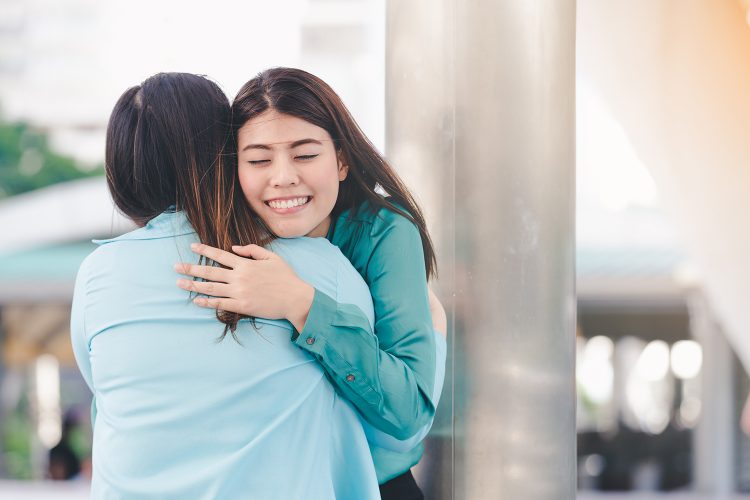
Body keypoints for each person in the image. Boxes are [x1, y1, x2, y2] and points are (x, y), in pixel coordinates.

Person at [71, 72, 388, 498]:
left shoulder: (96, 275)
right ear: (225, 156)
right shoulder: (316, 268)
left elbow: (103, 389)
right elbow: (380, 398)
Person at [175, 67, 447, 499]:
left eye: (304, 155)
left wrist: (300, 303)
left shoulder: (383, 232)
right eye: (259, 160)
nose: (282, 177)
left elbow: (407, 411)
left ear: (341, 160)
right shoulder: (219, 236)